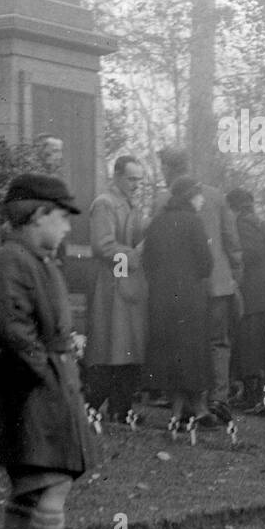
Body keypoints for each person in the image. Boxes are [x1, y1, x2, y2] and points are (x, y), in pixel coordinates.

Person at [0, 173, 96, 529]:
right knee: (50, 485)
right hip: (30, 392)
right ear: (38, 215)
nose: (67, 227)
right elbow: (5, 325)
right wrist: (44, 370)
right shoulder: (14, 259)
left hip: (42, 387)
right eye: (62, 218)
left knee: (31, 488)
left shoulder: (36, 258)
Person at [156, 148, 242, 419]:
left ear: (167, 168)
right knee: (218, 342)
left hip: (182, 288)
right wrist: (234, 277)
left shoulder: (163, 198)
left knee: (183, 340)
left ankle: (187, 400)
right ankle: (218, 398)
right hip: (218, 283)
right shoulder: (216, 195)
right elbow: (232, 240)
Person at [143, 176, 215, 430]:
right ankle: (195, 408)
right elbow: (206, 263)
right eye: (199, 194)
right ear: (189, 196)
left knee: (169, 351)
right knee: (191, 352)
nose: (202, 199)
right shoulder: (194, 221)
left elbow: (147, 261)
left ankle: (179, 409)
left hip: (161, 298)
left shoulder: (157, 222)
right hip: (189, 297)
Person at [85, 156, 148, 424]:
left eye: (139, 180)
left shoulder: (130, 204)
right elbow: (103, 246)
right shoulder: (105, 204)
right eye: (132, 179)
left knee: (126, 348)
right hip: (111, 284)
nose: (136, 185)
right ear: (117, 176)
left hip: (126, 284)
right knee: (112, 347)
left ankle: (121, 409)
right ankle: (95, 407)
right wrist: (135, 255)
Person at [227, 188, 265, 410]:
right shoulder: (258, 222)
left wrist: (232, 254)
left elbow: (251, 252)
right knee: (264, 350)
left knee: (259, 351)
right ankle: (257, 397)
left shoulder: (243, 222)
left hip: (256, 294)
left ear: (233, 207)